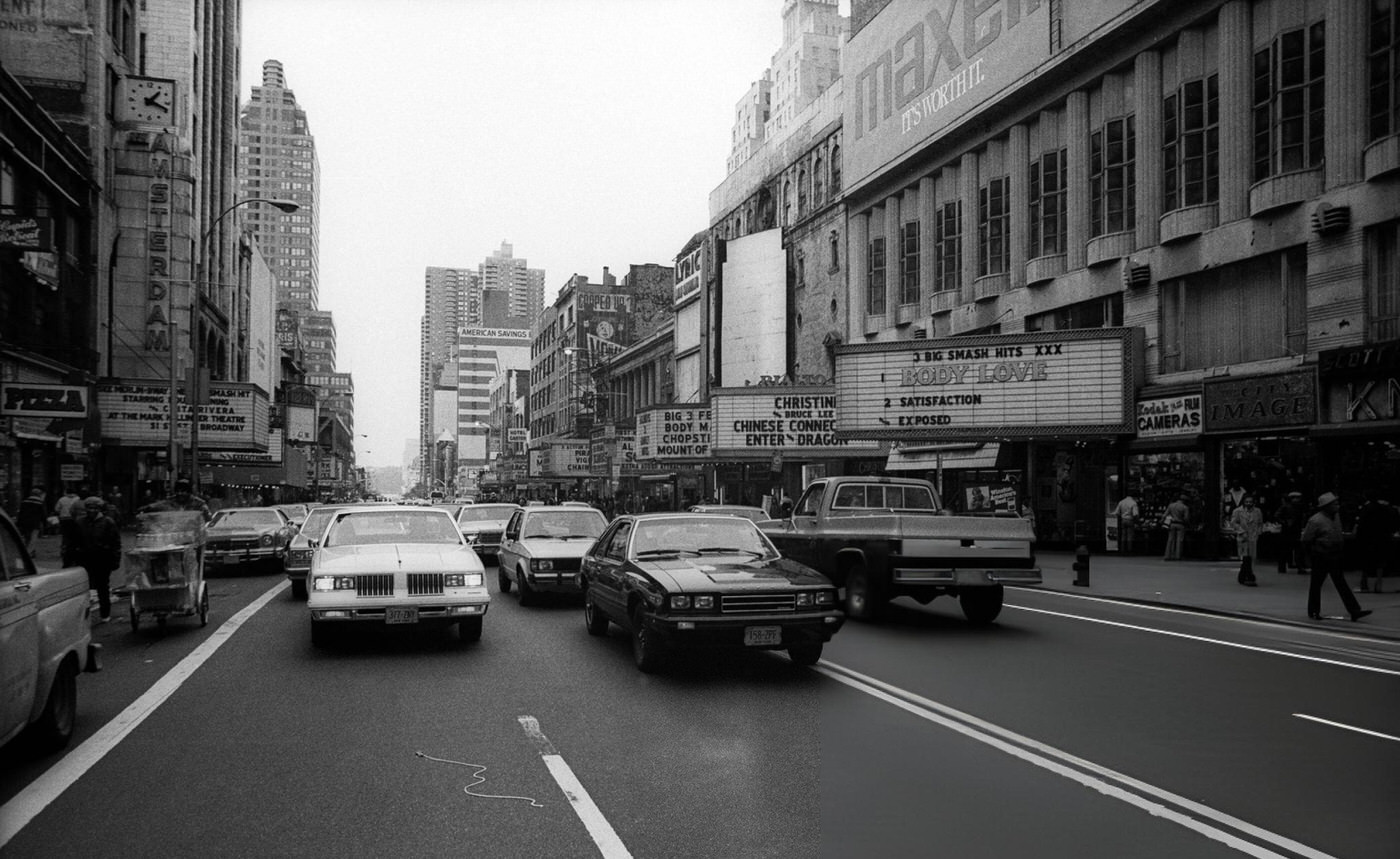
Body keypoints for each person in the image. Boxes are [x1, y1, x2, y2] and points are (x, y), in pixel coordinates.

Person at [1301, 492, 1370, 622]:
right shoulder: (1315, 520)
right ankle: (1314, 611)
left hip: (1335, 554)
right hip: (1321, 555)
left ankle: (1354, 610)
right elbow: (1306, 539)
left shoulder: (1336, 516)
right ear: (1326, 506)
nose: (1337, 506)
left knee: (1341, 583)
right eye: (1334, 504)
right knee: (1316, 584)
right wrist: (1311, 555)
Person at [74, 496, 122, 623]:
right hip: (85, 560)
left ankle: (105, 614)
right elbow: (73, 542)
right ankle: (83, 616)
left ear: (100, 509)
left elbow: (115, 543)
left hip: (102, 560)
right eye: (89, 508)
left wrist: (115, 560)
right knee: (84, 588)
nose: (91, 510)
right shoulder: (80, 522)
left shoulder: (108, 522)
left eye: (95, 508)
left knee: (102, 587)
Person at [1356, 494, 1400, 593]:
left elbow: (1361, 524)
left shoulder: (1367, 508)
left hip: (1368, 538)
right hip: (1383, 537)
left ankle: (1364, 583)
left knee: (1366, 560)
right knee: (1380, 561)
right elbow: (1395, 523)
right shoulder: (1388, 509)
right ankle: (1379, 582)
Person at [1229, 495, 1264, 586]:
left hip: (1253, 537)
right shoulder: (1237, 511)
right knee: (1245, 557)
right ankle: (1249, 576)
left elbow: (1260, 523)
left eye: (1250, 502)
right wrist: (1241, 531)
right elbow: (1233, 523)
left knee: (1251, 557)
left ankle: (1243, 576)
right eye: (1247, 502)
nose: (1248, 503)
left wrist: (1258, 532)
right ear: (1243, 502)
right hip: (1243, 537)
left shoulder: (1257, 511)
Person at [140, 478, 212, 522]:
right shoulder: (171, 501)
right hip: (174, 536)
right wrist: (147, 508)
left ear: (189, 492)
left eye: (183, 491)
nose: (180, 493)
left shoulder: (199, 503)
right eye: (178, 491)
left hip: (193, 536)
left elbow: (208, 517)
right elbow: (158, 505)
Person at [1273, 491, 1308, 574]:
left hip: (1295, 530)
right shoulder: (1286, 507)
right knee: (1286, 549)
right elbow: (1277, 516)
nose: (1298, 500)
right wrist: (1285, 522)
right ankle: (1283, 567)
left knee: (1297, 549)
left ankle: (1299, 566)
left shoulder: (1300, 507)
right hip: (1288, 531)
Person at [55, 487, 84, 565]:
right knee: (73, 535)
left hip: (63, 519)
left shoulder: (62, 499)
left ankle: (63, 550)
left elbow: (57, 509)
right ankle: (72, 550)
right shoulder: (78, 499)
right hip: (73, 519)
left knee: (65, 535)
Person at [1162, 493, 1190, 560]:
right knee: (1179, 540)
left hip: (1172, 524)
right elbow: (1186, 518)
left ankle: (1168, 555)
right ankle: (1177, 556)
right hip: (1180, 524)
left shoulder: (1171, 505)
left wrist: (1162, 521)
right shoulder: (1185, 507)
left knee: (1170, 539)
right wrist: (1188, 524)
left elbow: (1164, 515)